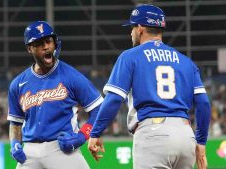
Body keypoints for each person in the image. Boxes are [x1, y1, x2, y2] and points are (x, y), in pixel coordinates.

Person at [88, 4, 211, 169]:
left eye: (132, 27)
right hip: (185, 135)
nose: (131, 32)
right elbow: (203, 103)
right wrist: (201, 142)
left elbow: (114, 99)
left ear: (140, 28)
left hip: (153, 134)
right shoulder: (186, 61)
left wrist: (95, 132)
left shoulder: (130, 57)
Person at [7, 21, 103, 169]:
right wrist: (14, 144)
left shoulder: (71, 76)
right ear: (29, 49)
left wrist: (82, 136)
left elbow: (99, 110)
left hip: (61, 148)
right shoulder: (18, 84)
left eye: (48, 41)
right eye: (39, 43)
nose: (46, 46)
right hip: (30, 152)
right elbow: (15, 123)